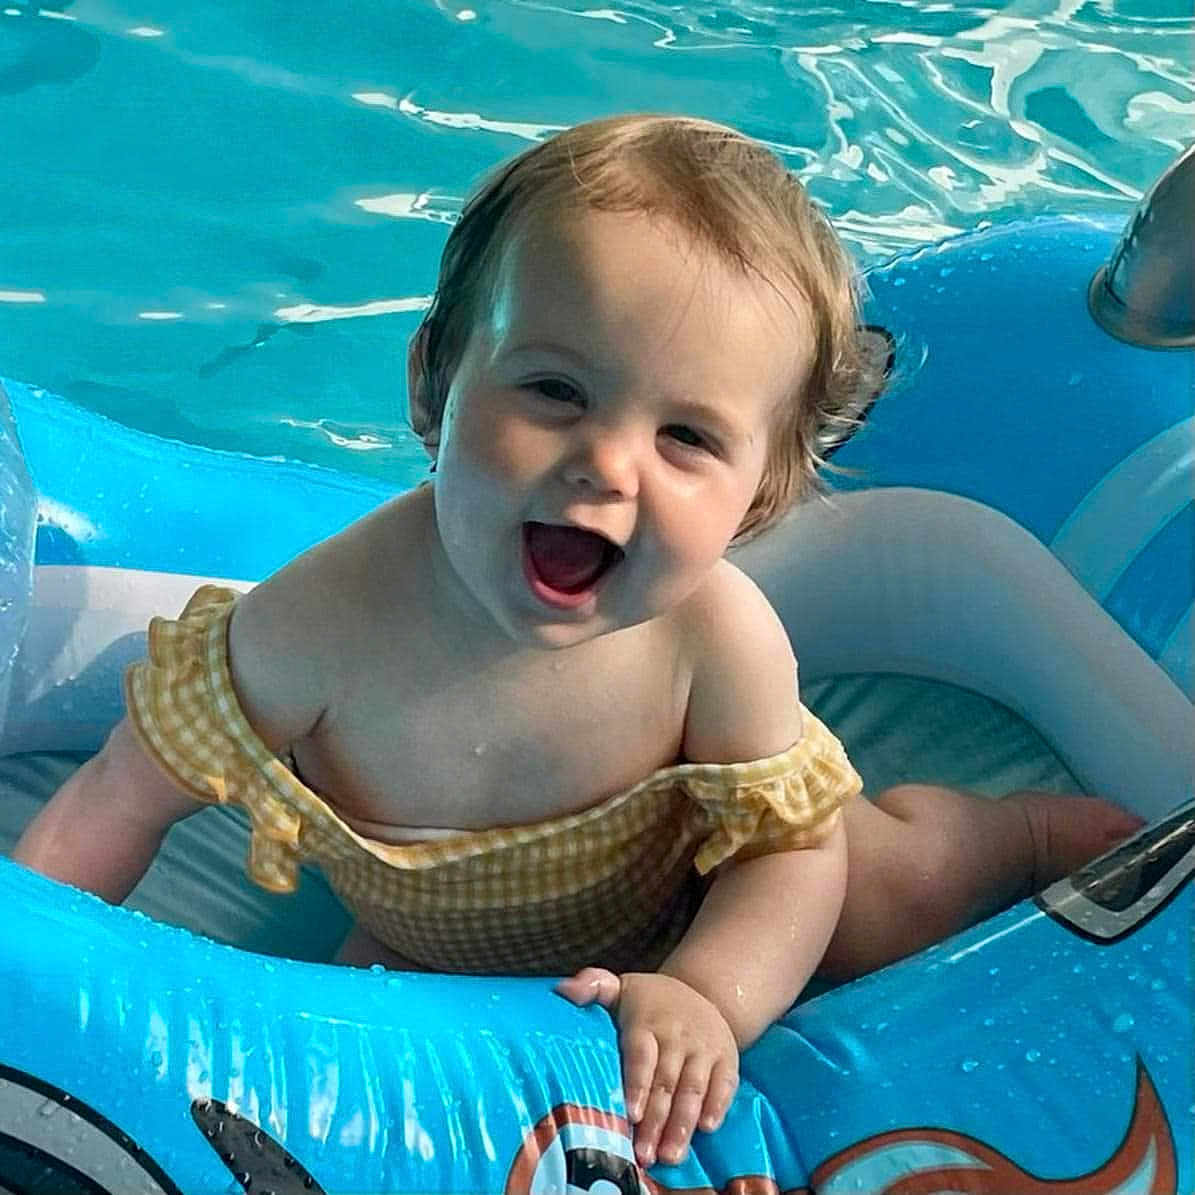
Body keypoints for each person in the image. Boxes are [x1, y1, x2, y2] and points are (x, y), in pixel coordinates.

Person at [13, 115, 1141, 1171]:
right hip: (436, 943)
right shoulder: (322, 621)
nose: (605, 463)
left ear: (757, 501)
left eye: (686, 435)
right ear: (433, 383)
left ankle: (1007, 832)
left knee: (893, 892)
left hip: (701, 882)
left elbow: (787, 858)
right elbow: (121, 797)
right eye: (555, 389)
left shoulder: (715, 638)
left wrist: (708, 993)